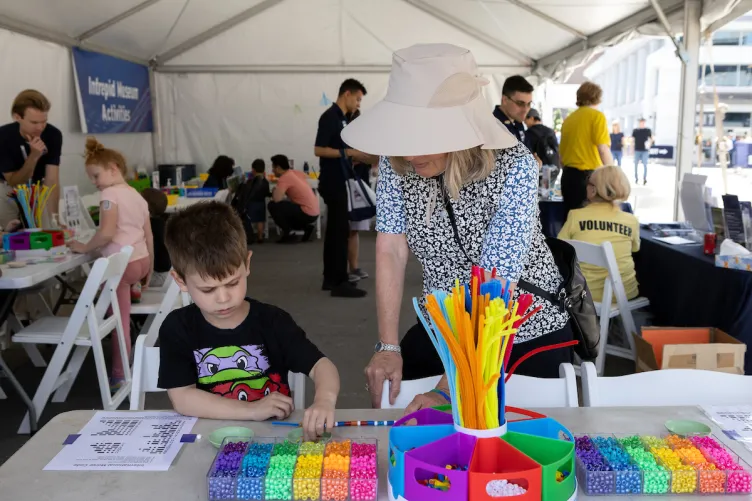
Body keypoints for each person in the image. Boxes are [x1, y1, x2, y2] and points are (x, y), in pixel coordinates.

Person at [344, 44, 572, 410]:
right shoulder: (395, 162)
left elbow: (495, 283)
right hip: (446, 326)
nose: (410, 155)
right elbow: (390, 248)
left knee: (512, 442)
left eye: (424, 140)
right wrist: (388, 347)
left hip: (520, 329)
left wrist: (447, 389)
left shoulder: (515, 167)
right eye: (404, 138)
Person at [157, 202, 339, 440]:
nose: (223, 299)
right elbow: (182, 398)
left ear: (247, 264)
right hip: (210, 439)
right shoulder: (178, 327)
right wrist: (251, 410)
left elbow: (322, 366)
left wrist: (324, 400)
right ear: (180, 280)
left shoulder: (272, 321)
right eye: (207, 289)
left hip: (273, 441)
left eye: (232, 283)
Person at [68, 138, 153, 391]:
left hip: (119, 267)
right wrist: (149, 269)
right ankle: (125, 369)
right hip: (140, 261)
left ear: (113, 168)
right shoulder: (137, 195)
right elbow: (148, 235)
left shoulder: (109, 195)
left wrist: (84, 247)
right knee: (122, 316)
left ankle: (120, 375)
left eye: (96, 176)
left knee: (119, 322)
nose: (94, 183)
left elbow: (105, 233)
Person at [314, 79, 376, 298]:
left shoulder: (343, 119)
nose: (358, 104)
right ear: (346, 94)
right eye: (357, 99)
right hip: (333, 182)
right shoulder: (330, 117)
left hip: (342, 180)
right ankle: (338, 281)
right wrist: (348, 154)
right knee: (338, 233)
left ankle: (332, 278)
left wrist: (356, 156)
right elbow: (319, 149)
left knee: (337, 232)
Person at [558, 166, 640, 302]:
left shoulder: (576, 216)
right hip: (624, 293)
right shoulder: (631, 220)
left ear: (593, 190)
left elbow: (559, 248)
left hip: (583, 293)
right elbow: (635, 248)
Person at [0, 90, 62, 227]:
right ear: (17, 117)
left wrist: (54, 219)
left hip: (38, 188)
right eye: (34, 122)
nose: (40, 127)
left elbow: (52, 180)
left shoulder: (53, 134)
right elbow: (14, 181)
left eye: (44, 121)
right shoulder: (3, 136)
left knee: (46, 231)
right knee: (10, 235)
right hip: (8, 188)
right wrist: (33, 156)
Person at [559, 82, 612, 214]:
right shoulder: (597, 116)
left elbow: (561, 157)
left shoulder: (569, 120)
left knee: (572, 222)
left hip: (568, 177)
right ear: (598, 97)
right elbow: (603, 149)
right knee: (591, 224)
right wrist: (612, 172)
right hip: (590, 178)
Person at [268, 154, 319, 243]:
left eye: (273, 168)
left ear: (278, 168)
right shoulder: (295, 172)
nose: (272, 170)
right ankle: (306, 227)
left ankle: (290, 233)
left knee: (273, 206)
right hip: (314, 212)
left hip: (306, 213)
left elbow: (276, 199)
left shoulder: (284, 178)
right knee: (287, 205)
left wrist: (274, 190)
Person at [347, 109, 370, 282]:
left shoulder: (364, 140)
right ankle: (348, 268)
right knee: (347, 231)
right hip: (348, 189)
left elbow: (370, 158)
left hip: (360, 188)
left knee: (354, 231)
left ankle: (353, 267)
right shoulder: (345, 140)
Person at [140, 188, 171, 288]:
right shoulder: (162, 223)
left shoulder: (149, 228)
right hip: (169, 275)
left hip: (159, 276)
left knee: (124, 279)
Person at [493, 75, 533, 144]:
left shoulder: (517, 121)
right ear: (505, 100)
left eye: (529, 104)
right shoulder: (495, 126)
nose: (525, 110)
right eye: (520, 103)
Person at [524, 108, 560, 182]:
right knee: (549, 191)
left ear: (531, 118)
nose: (525, 123)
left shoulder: (529, 133)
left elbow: (528, 153)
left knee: (541, 192)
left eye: (525, 120)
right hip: (555, 167)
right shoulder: (550, 131)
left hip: (540, 171)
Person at [247, 159, 271, 243]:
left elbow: (248, 192)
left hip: (252, 204)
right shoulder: (266, 182)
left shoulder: (251, 181)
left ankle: (249, 236)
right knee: (260, 220)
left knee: (249, 220)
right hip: (261, 203)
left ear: (253, 170)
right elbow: (267, 193)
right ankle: (260, 237)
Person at [632, 118, 653, 185]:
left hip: (645, 150)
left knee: (645, 164)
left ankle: (644, 178)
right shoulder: (635, 131)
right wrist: (632, 149)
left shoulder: (647, 130)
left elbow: (651, 138)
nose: (642, 123)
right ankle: (636, 178)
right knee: (636, 164)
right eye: (641, 122)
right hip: (637, 149)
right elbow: (632, 140)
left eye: (643, 122)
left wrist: (649, 144)